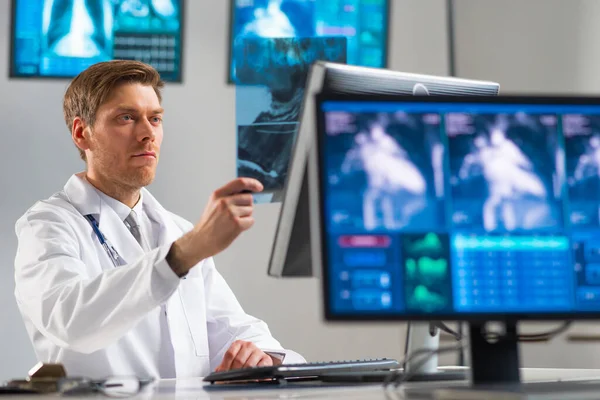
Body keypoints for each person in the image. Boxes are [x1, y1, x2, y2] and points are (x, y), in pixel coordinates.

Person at [13, 60, 305, 379]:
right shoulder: (47, 225)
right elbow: (70, 319)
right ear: (82, 133)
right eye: (127, 118)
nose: (147, 133)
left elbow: (230, 327)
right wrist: (181, 256)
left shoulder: (178, 230)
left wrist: (260, 355)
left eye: (155, 118)